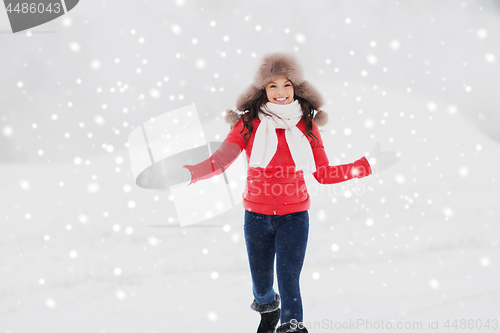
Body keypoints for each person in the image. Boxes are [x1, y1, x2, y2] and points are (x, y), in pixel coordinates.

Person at [181, 52, 399, 333]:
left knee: (288, 279)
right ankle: (269, 309)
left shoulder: (306, 125)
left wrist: (367, 165)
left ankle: (292, 326)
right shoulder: (247, 124)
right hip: (256, 216)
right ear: (263, 90)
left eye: (287, 84)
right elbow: (221, 160)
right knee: (261, 286)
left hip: (294, 217)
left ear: (296, 88)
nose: (281, 92)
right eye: (273, 85)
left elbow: (324, 174)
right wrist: (190, 173)